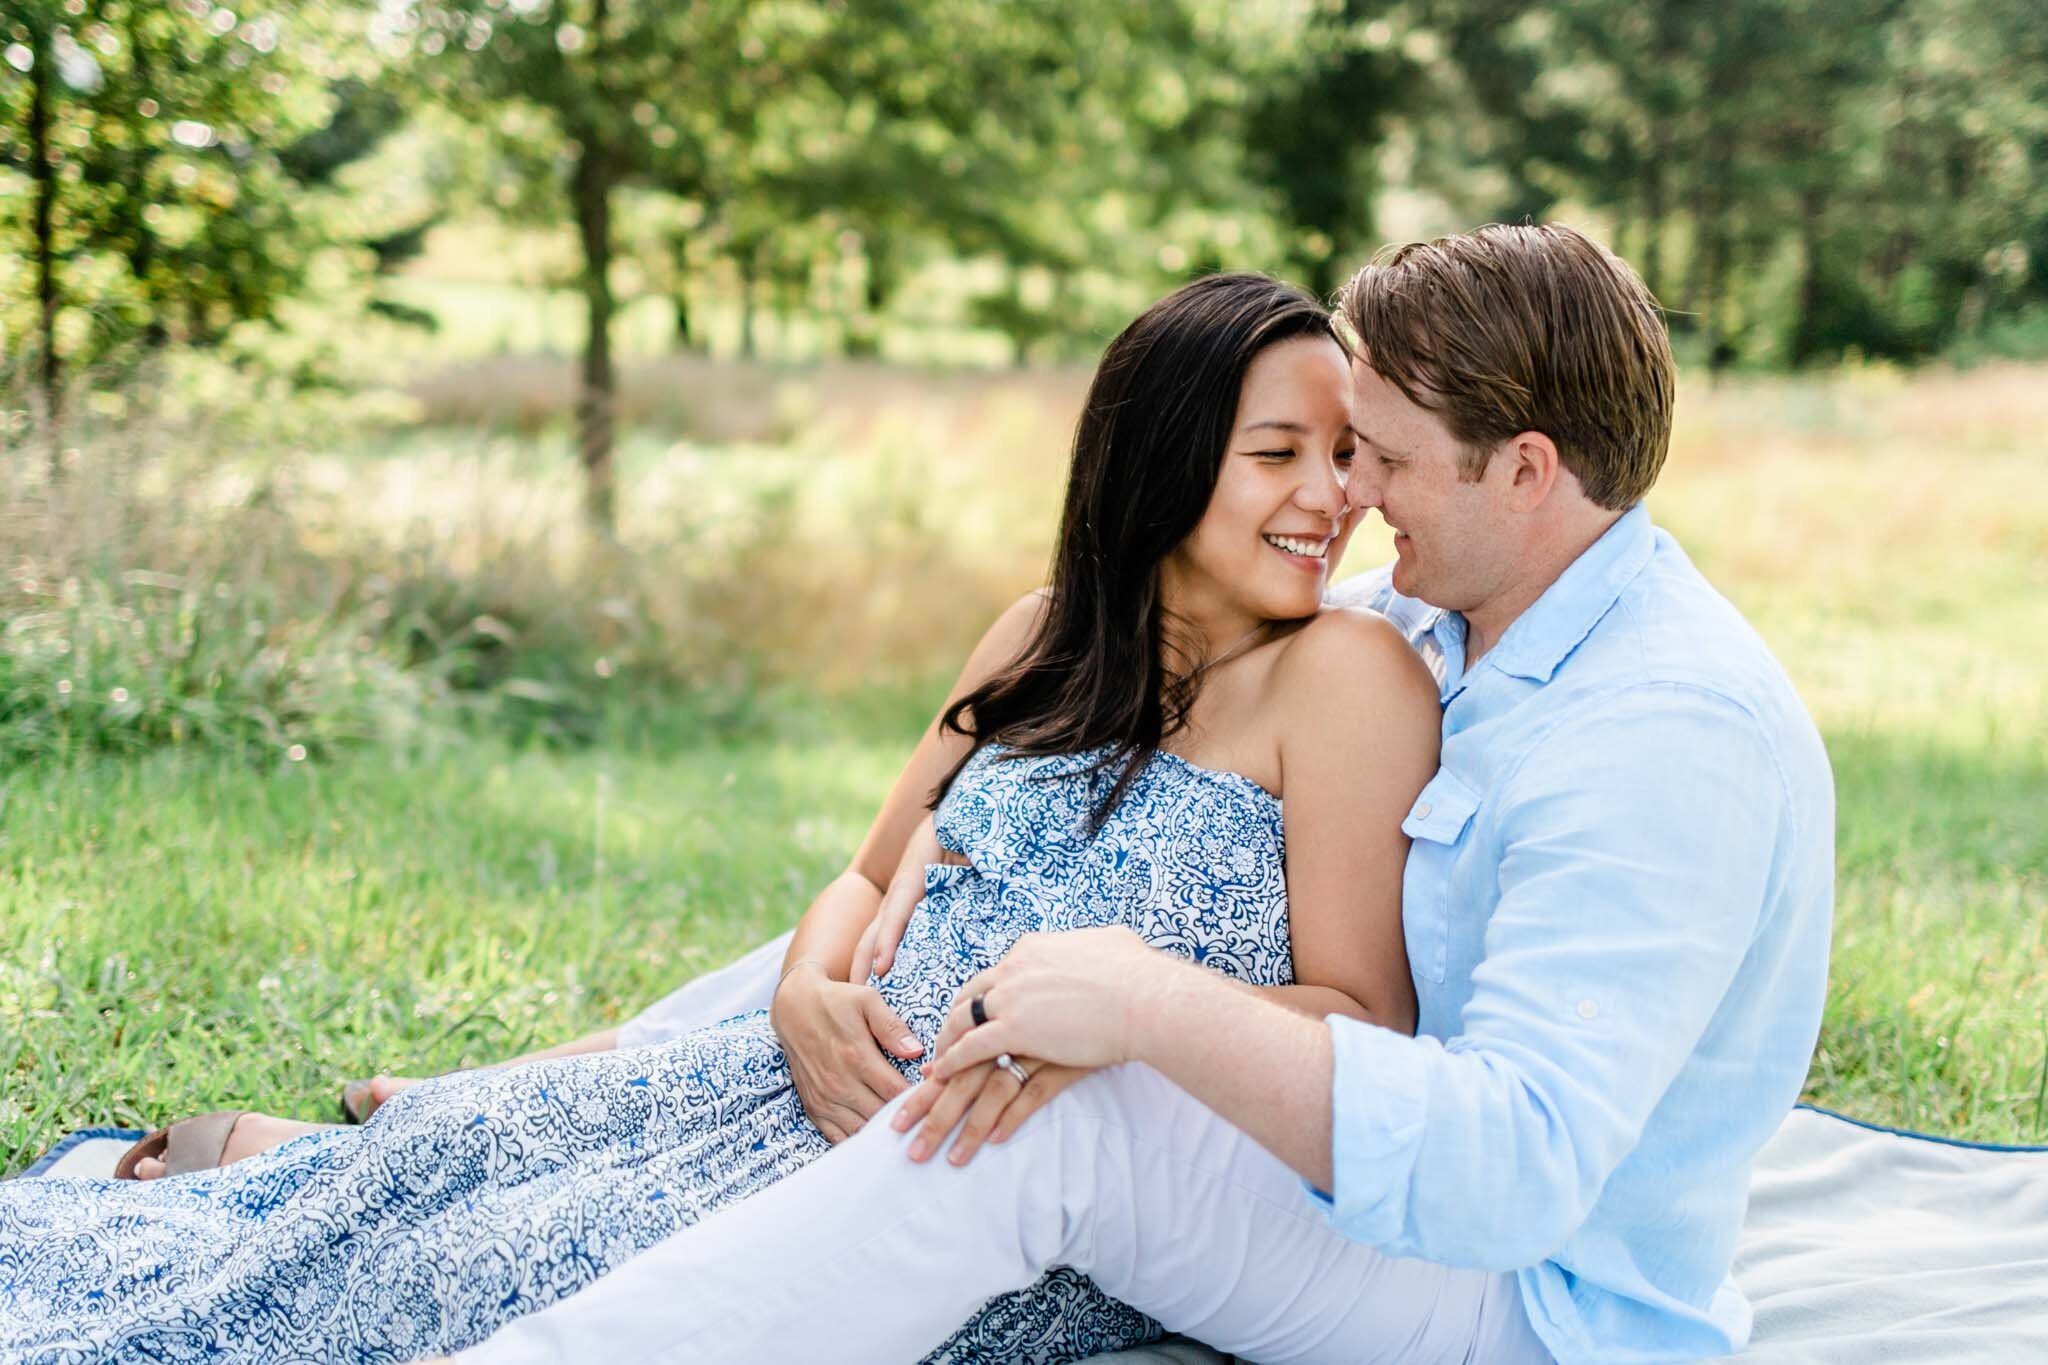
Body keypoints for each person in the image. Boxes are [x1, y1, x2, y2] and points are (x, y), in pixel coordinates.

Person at [0, 274, 1448, 1362]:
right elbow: (867, 871)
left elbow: (1362, 1020)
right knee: (436, 1160)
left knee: (500, 1265)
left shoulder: (1341, 678)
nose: (1332, 498)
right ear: (1163, 457)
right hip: (787, 1082)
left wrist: (1126, 1009)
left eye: (1346, 457)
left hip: (971, 1177)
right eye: (1281, 453)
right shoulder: (1040, 636)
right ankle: (234, 1172)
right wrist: (812, 987)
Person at [453, 224, 1834, 1365]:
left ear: (1526, 470)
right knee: (953, 927)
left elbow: (1512, 1172)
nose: (1352, 490)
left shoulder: (1668, 734)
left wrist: (1148, 1006)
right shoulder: (1442, 615)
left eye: (1385, 458)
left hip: (1523, 1297)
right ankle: (489, 1123)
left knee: (1069, 1111)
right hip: (1347, 1173)